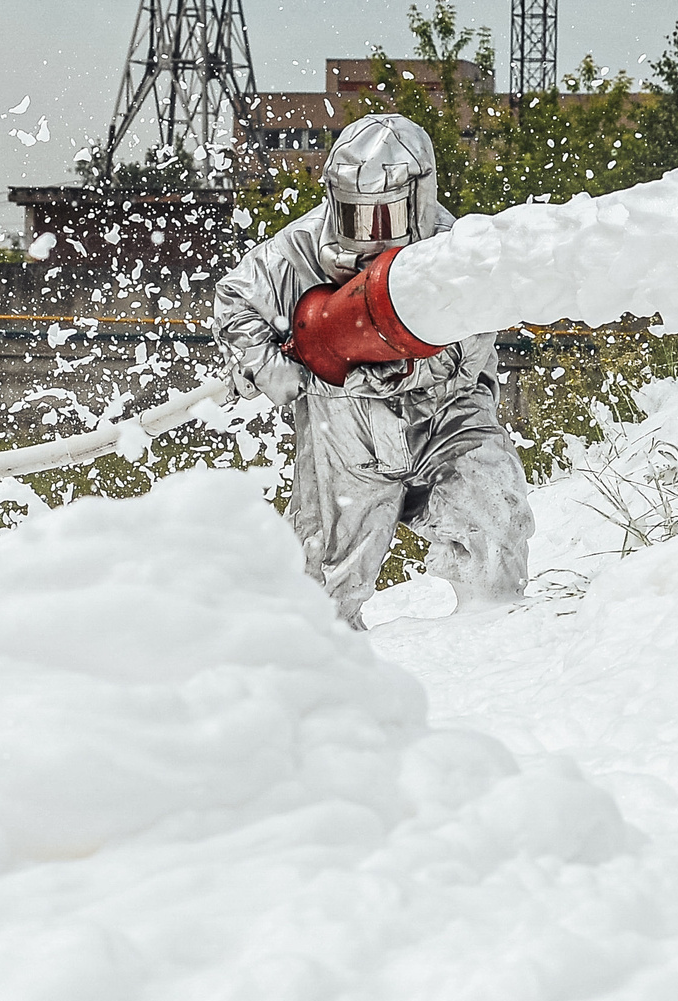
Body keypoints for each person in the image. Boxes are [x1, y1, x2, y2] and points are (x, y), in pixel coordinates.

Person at [213, 113, 532, 627]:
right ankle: (331, 688)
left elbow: (464, 355)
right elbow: (235, 300)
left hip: (448, 418)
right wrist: (268, 366)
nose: (364, 235)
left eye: (380, 218)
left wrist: (359, 370)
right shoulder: (297, 249)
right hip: (343, 432)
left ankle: (488, 650)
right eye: (351, 214)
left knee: (496, 519)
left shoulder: (457, 255)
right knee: (325, 589)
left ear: (418, 201)